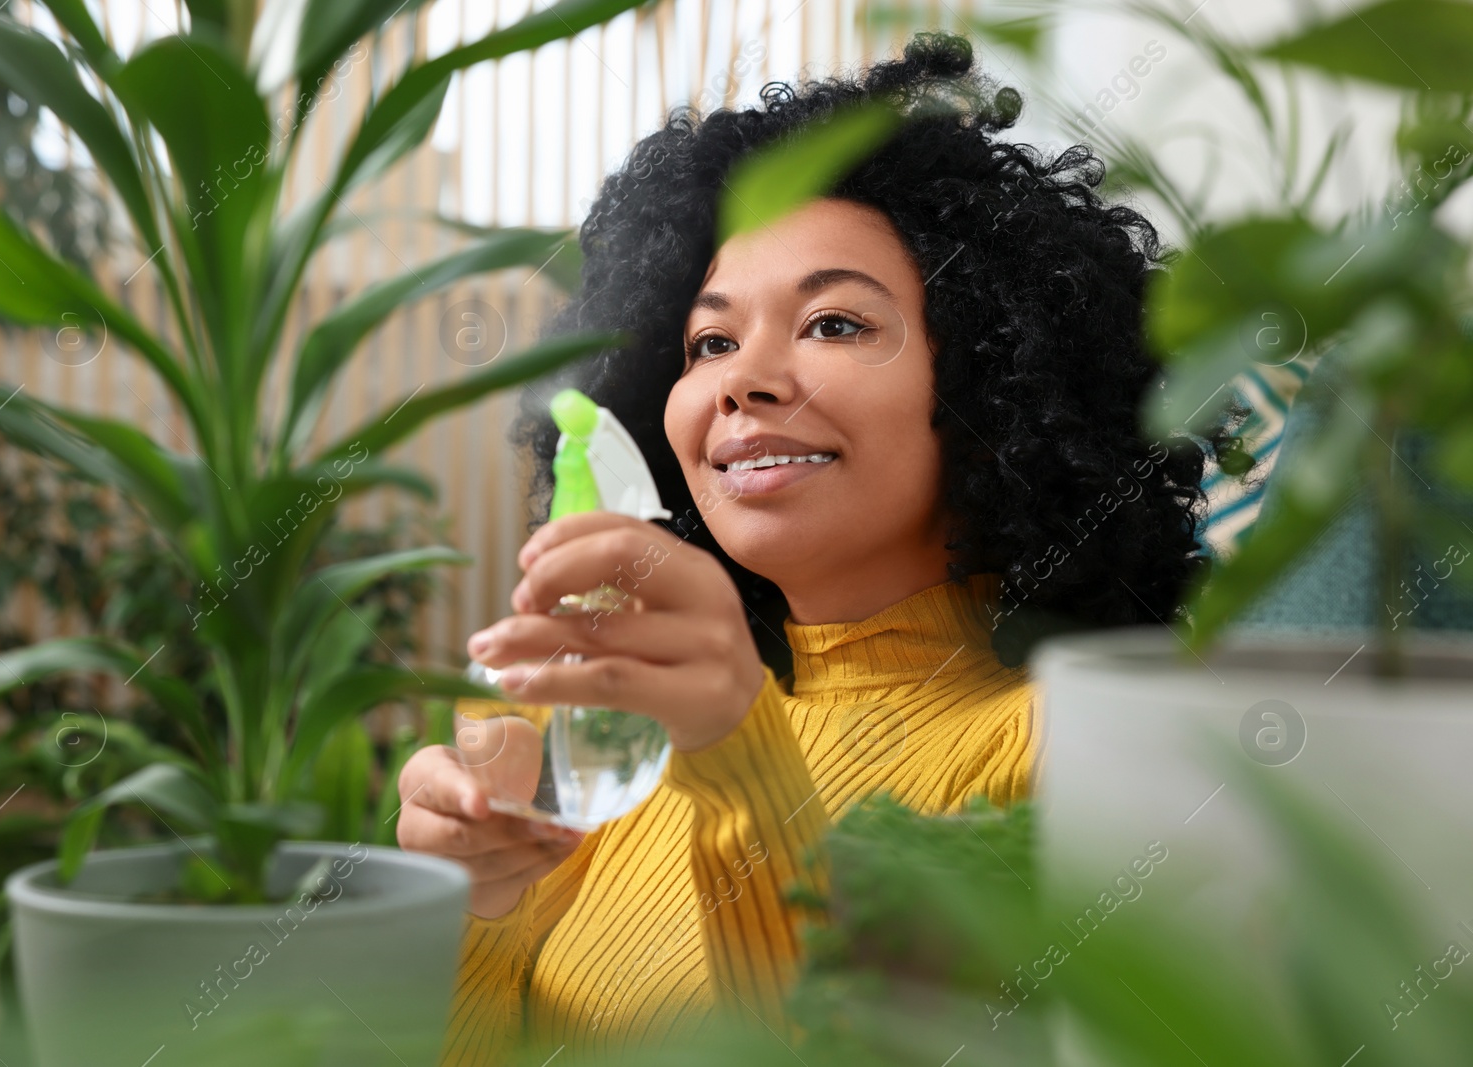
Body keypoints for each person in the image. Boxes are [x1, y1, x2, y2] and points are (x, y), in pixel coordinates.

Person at [396, 32, 1218, 1067]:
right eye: (709, 342)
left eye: (832, 323)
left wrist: (741, 756)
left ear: (999, 384)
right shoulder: (614, 745)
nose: (745, 380)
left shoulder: (1064, 748)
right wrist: (480, 907)